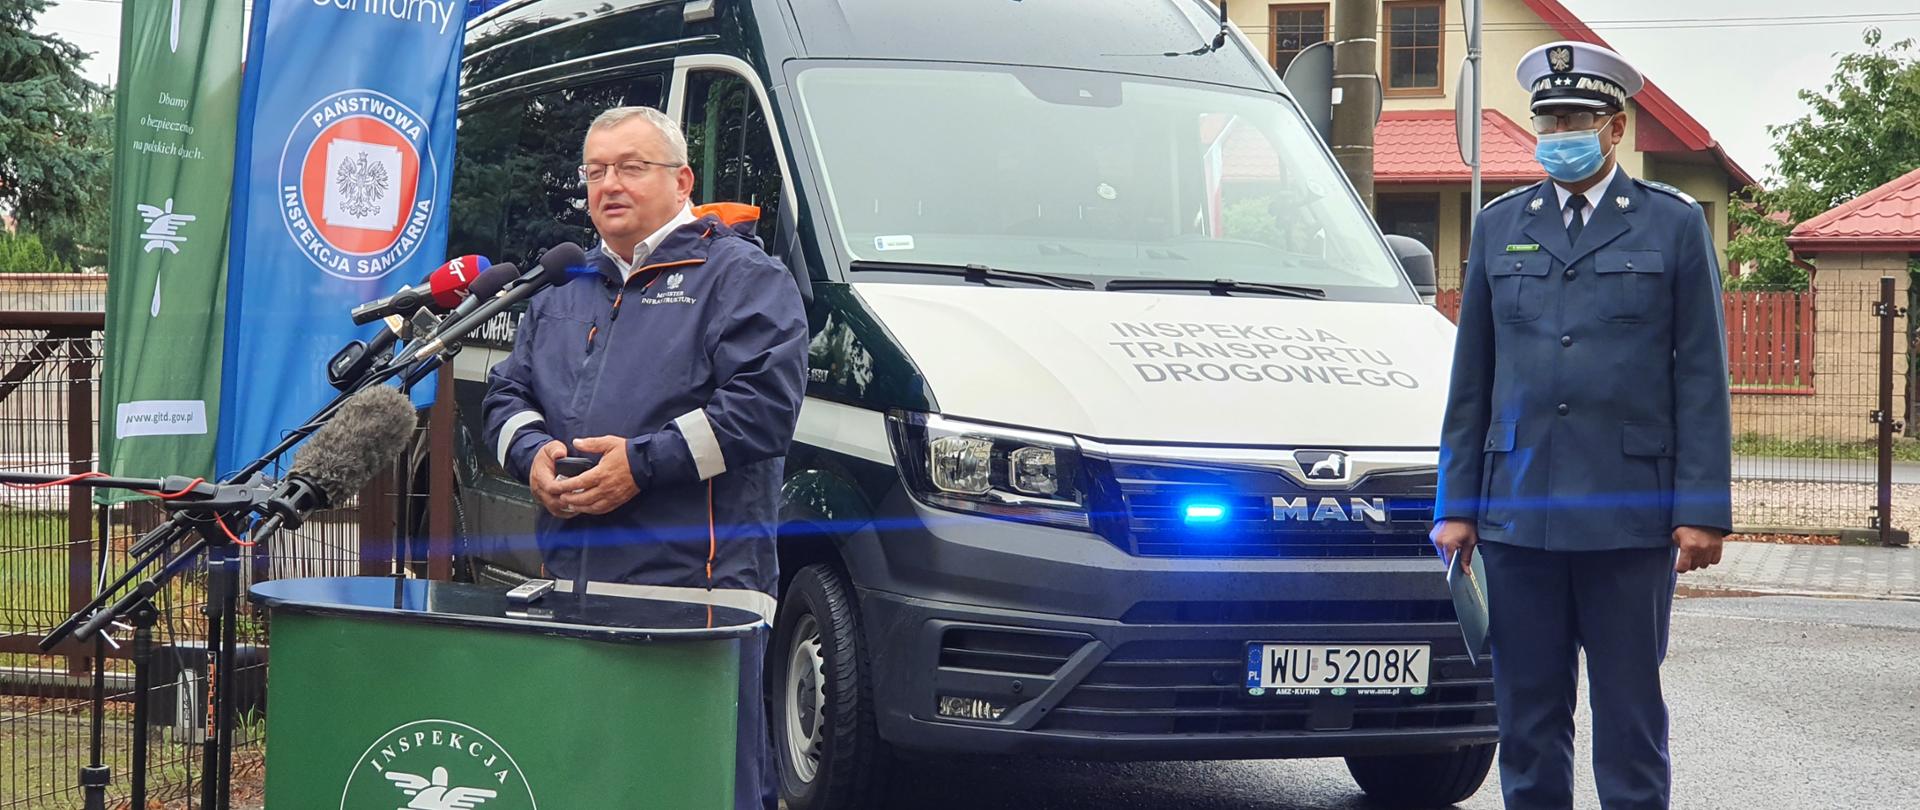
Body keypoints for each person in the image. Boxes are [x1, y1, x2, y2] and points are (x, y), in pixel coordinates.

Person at [1429, 42, 1732, 810]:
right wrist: (1455, 505)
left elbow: (1701, 374)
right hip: (1516, 512)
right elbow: (1472, 382)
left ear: (1616, 127)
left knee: (1630, 718)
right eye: (1549, 118)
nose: (1558, 130)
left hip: (1627, 516)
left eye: (1576, 117)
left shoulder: (1671, 225)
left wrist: (1701, 510)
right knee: (1527, 720)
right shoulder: (1501, 225)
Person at [482, 105, 808, 810]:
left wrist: (642, 463)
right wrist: (532, 452)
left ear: (682, 178)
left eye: (631, 167)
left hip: (696, 605)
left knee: (697, 790)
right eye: (595, 171)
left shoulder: (742, 277)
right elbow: (507, 392)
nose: (609, 185)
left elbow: (764, 409)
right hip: (573, 596)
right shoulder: (564, 284)